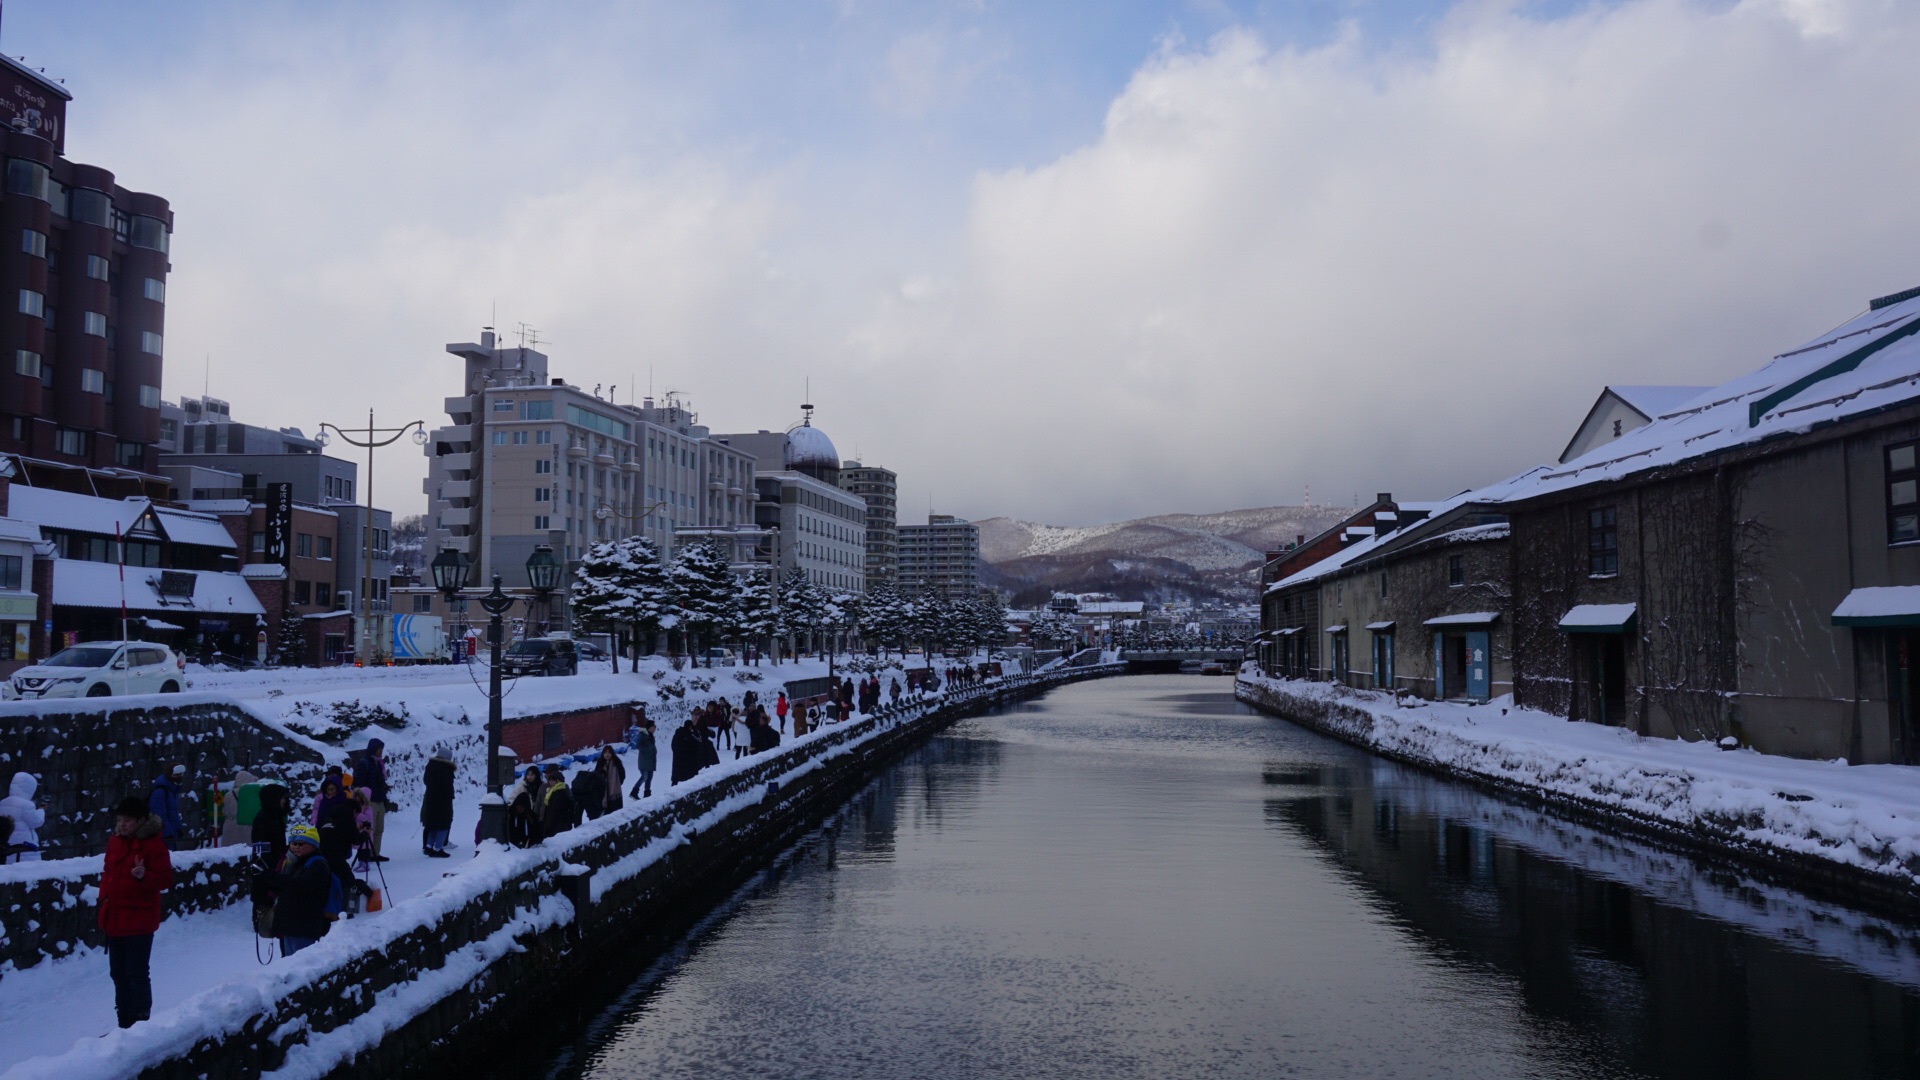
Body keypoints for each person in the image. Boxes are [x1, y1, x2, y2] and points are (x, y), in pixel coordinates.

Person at [99, 796, 173, 1028]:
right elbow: (108, 874)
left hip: (139, 920)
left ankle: (141, 1023)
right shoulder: (115, 842)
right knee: (118, 973)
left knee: (136, 973)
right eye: (120, 820)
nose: (122, 824)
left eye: (127, 820)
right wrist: (103, 901)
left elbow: (165, 880)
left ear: (141, 821)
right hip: (115, 917)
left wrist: (144, 877)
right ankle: (124, 1022)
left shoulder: (154, 846)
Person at [263, 824, 333, 955]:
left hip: (304, 924)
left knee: (301, 966)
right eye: (293, 843)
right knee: (288, 964)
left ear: (313, 845)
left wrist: (275, 878)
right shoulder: (294, 862)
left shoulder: (318, 864)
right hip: (291, 923)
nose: (295, 847)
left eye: (300, 844)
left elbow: (301, 886)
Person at [351, 739, 393, 862]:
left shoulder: (379, 764)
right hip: (370, 802)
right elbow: (358, 784)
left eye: (382, 749)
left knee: (379, 829)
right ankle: (366, 854)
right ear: (373, 749)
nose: (381, 752)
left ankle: (375, 853)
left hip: (380, 799)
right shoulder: (365, 764)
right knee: (370, 829)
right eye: (379, 749)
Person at [1, 771, 44, 863]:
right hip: (24, 846)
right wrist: (41, 810)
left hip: (7, 846)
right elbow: (36, 822)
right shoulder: (27, 805)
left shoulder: (2, 802)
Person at [421, 753, 455, 858]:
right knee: (444, 825)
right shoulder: (446, 769)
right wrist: (451, 796)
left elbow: (426, 781)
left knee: (432, 826)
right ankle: (438, 848)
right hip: (443, 802)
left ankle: (429, 846)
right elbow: (448, 787)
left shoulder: (430, 767)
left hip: (430, 800)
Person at [251, 783, 290, 873]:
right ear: (274, 798)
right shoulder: (263, 818)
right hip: (267, 869)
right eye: (282, 798)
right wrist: (271, 869)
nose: (285, 801)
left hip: (277, 865)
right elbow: (260, 848)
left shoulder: (276, 816)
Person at [148, 764, 187, 850]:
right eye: (176, 775)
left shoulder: (172, 791)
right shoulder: (160, 792)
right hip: (163, 837)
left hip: (171, 836)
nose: (179, 777)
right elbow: (159, 815)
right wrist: (167, 833)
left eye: (181, 775)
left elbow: (174, 813)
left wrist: (178, 829)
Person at [508, 768, 546, 848]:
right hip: (523, 815)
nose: (529, 777)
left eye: (532, 775)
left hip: (537, 815)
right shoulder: (522, 786)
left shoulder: (542, 786)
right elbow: (511, 799)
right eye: (528, 774)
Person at [541, 765, 578, 835]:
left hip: (558, 828)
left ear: (558, 781)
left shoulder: (559, 794)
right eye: (549, 780)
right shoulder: (553, 791)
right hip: (559, 826)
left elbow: (554, 813)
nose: (550, 782)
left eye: (552, 780)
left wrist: (548, 827)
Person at [670, 717, 705, 785]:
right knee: (689, 780)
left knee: (676, 778)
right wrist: (695, 730)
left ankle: (672, 791)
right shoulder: (689, 735)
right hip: (688, 760)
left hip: (677, 759)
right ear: (690, 727)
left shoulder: (677, 733)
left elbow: (673, 745)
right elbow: (698, 742)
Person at [629, 718, 657, 799]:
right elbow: (638, 745)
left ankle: (647, 794)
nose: (655, 728)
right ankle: (634, 792)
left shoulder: (651, 736)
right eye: (654, 726)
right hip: (644, 760)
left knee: (649, 777)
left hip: (651, 760)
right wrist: (647, 749)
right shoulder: (643, 735)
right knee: (644, 777)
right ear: (650, 727)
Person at [595, 745, 626, 816]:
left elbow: (622, 774)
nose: (607, 755)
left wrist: (617, 783)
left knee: (616, 813)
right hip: (603, 791)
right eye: (605, 753)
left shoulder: (617, 762)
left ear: (612, 753)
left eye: (609, 753)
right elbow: (596, 776)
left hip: (615, 792)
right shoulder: (600, 763)